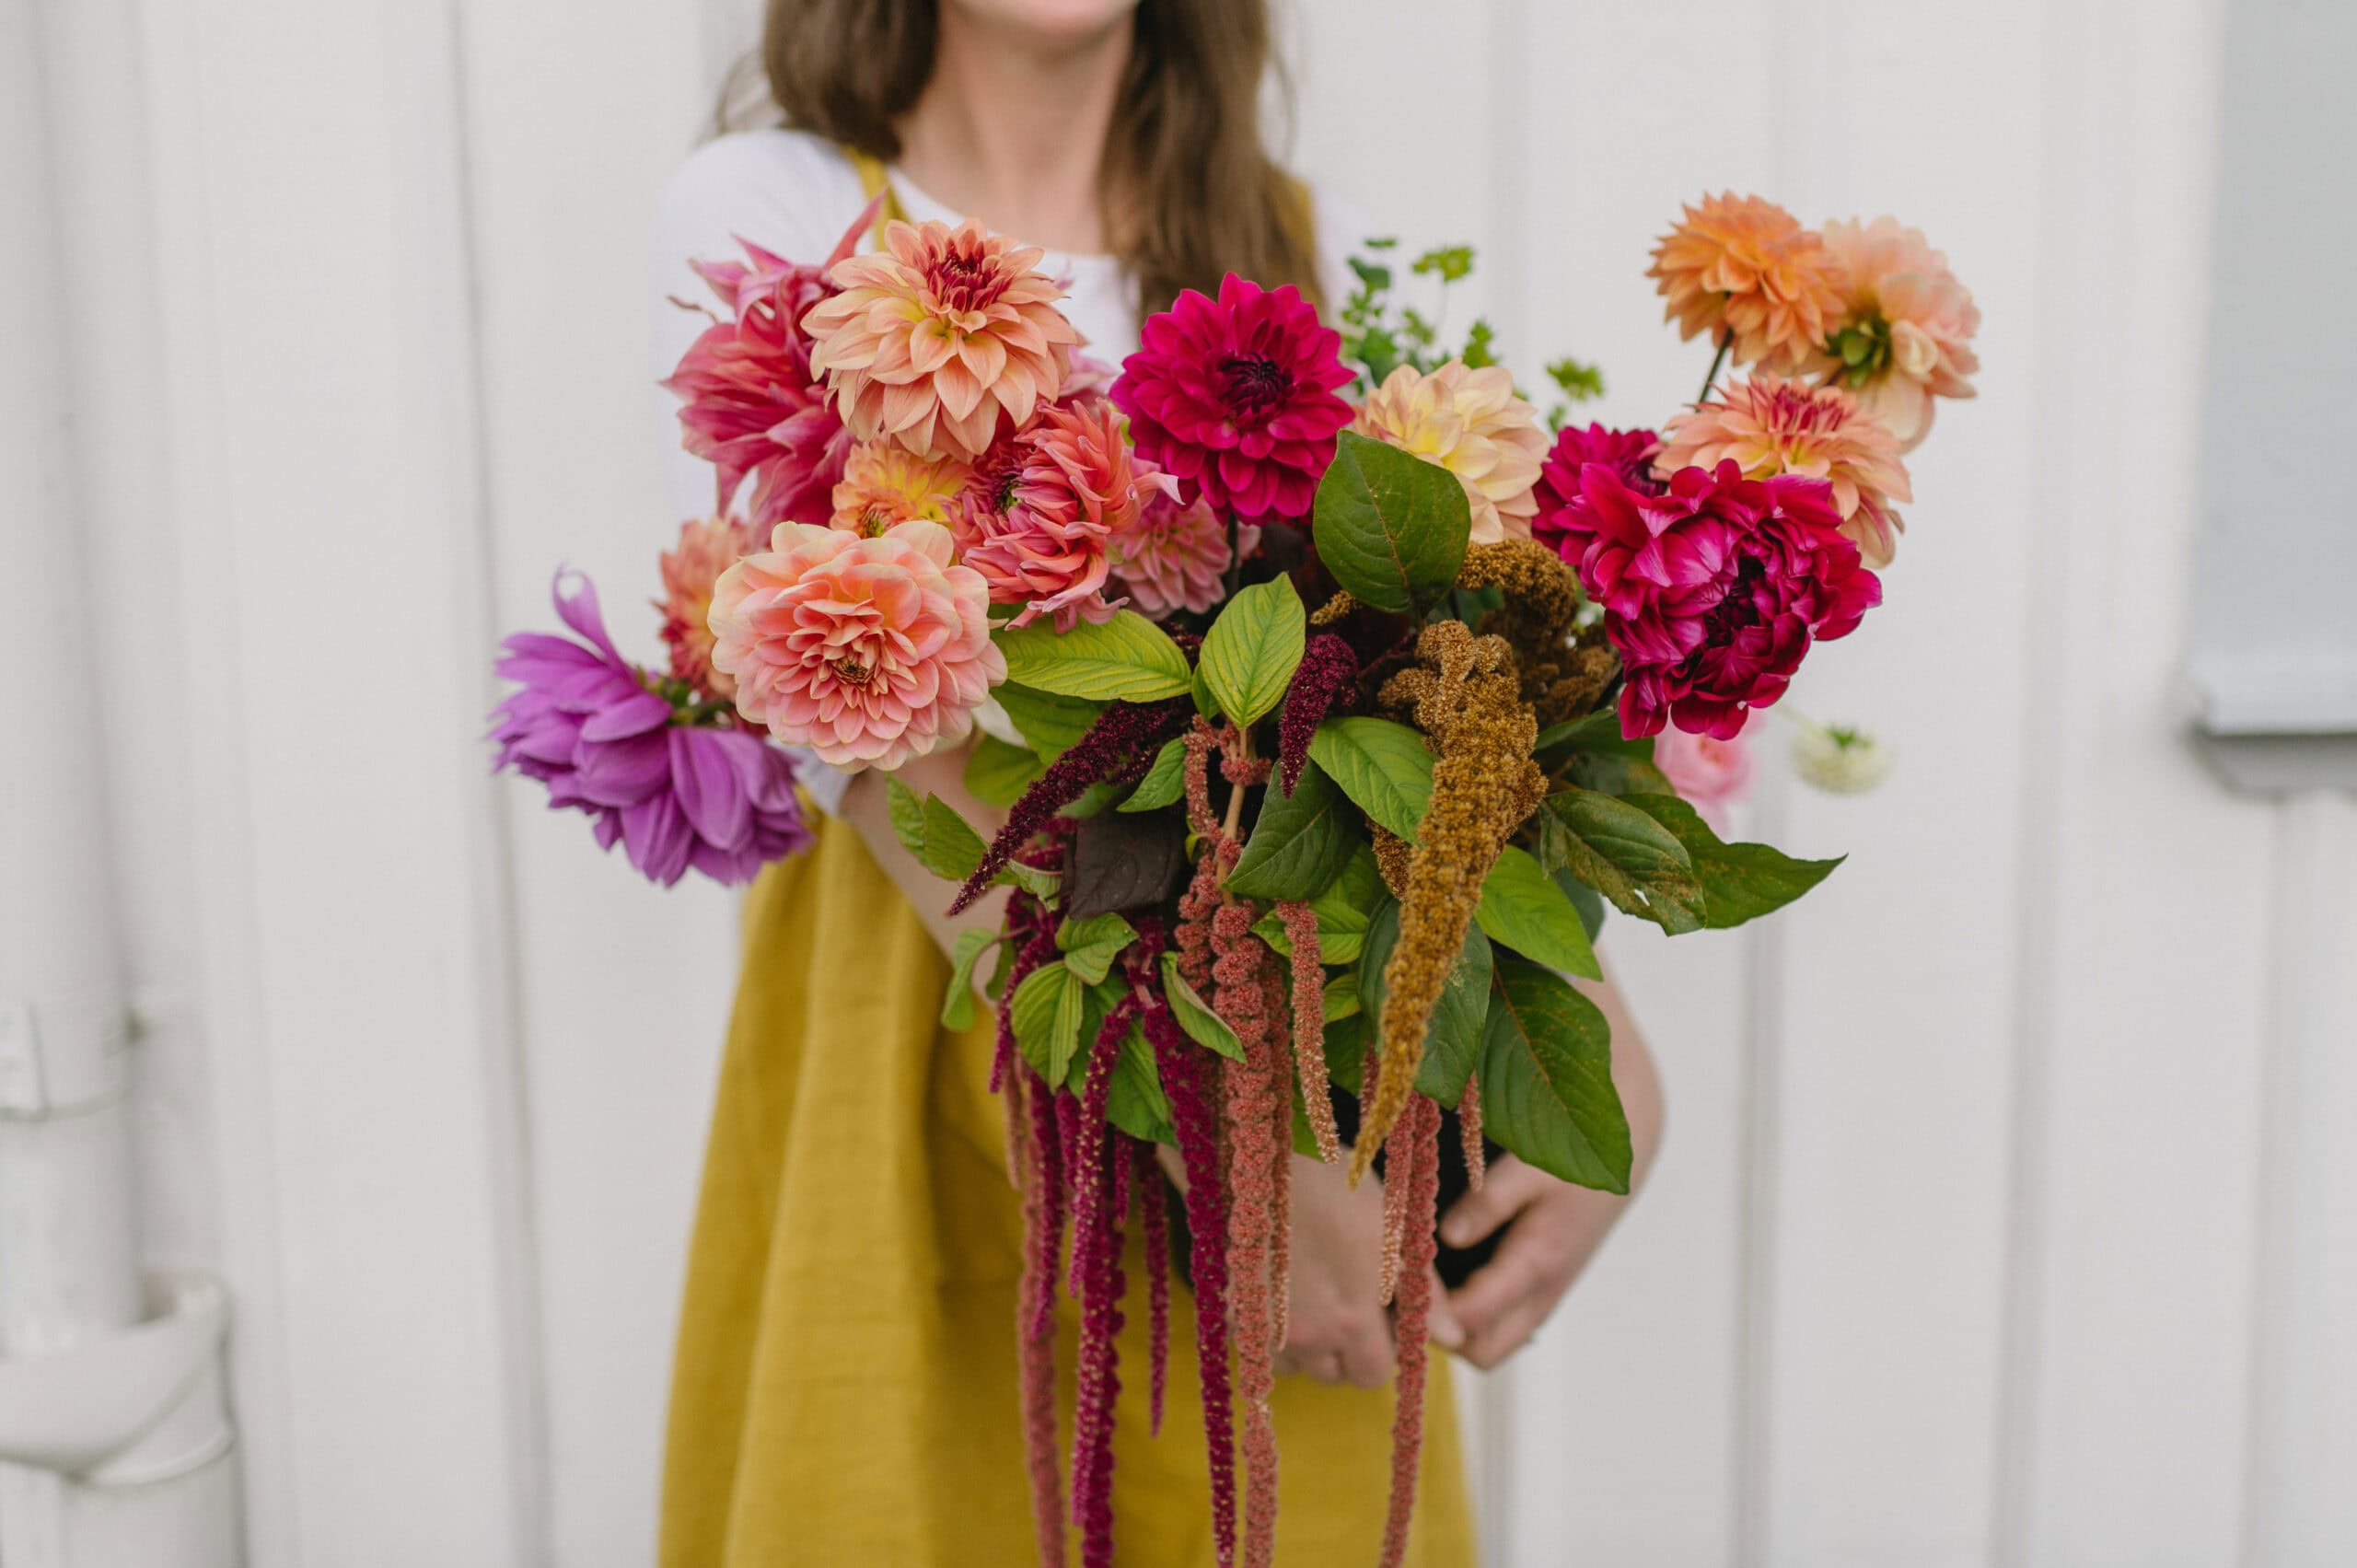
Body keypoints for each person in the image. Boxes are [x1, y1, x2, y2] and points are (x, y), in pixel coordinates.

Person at [648, 2, 1665, 1562]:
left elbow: (1409, 697)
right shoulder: (782, 211)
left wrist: (1590, 1034)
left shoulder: (1299, 251)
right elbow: (872, 741)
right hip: (959, 989)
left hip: (1292, 1032)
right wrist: (1242, 1148)